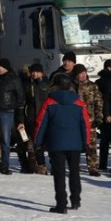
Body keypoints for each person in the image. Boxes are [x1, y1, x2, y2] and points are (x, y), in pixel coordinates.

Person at [35, 72, 91, 213]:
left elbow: (40, 123)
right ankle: (76, 201)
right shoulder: (79, 103)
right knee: (74, 172)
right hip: (75, 143)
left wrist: (38, 141)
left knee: (59, 174)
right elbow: (85, 124)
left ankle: (61, 204)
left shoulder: (49, 102)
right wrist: (86, 142)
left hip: (56, 143)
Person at [72, 65, 105, 177]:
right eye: (80, 73)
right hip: (75, 120)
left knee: (91, 145)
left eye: (84, 72)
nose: (83, 75)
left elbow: (99, 103)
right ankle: (75, 167)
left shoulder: (92, 86)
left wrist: (99, 117)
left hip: (89, 120)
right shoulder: (71, 86)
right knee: (75, 146)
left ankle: (93, 167)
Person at [19, 63, 49, 174]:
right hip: (29, 117)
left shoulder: (47, 84)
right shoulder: (27, 84)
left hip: (43, 117)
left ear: (41, 72)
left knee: (40, 143)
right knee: (28, 142)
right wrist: (21, 119)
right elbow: (22, 102)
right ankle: (30, 166)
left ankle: (41, 164)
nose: (34, 74)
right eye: (33, 71)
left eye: (37, 71)